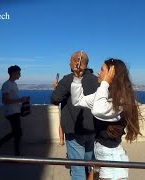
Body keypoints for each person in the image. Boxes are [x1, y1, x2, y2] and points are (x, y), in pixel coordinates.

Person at [71, 58, 141, 180]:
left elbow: (98, 110)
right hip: (101, 154)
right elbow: (78, 101)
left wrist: (105, 83)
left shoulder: (120, 101)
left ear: (111, 75)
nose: (98, 72)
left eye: (102, 70)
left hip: (112, 161)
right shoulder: (106, 94)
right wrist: (77, 78)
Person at [51, 50, 99, 180]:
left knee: (78, 170)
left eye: (71, 60)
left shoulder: (68, 80)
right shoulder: (97, 80)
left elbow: (55, 100)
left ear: (76, 62)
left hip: (74, 129)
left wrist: (57, 88)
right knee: (91, 165)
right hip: (93, 129)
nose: (69, 63)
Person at [0, 65, 30, 156]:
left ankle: (15, 153)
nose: (20, 75)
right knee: (17, 133)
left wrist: (23, 100)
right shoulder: (7, 85)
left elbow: (12, 98)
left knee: (17, 133)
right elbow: (5, 100)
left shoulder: (14, 84)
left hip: (15, 111)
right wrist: (21, 100)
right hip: (11, 112)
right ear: (13, 73)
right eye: (18, 73)